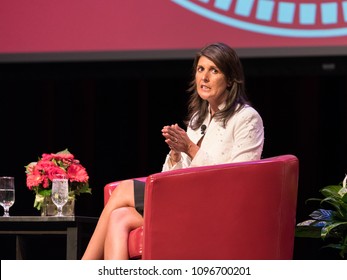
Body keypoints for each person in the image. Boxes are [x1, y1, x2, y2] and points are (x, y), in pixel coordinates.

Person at [82, 42, 264, 260]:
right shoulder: (198, 120)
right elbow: (176, 175)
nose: (204, 78)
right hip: (187, 199)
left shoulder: (246, 118)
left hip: (217, 206)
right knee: (119, 217)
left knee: (123, 190)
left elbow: (240, 180)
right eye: (200, 69)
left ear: (230, 79)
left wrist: (190, 148)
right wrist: (177, 154)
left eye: (213, 71)